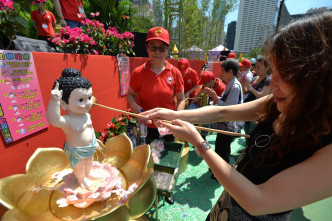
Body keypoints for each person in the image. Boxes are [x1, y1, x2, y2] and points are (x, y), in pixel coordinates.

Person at [144, 12, 332, 220]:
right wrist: (171, 113)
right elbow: (222, 111)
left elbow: (257, 201)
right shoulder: (279, 102)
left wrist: (198, 142)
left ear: (318, 79)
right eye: (274, 70)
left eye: (286, 73)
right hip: (226, 207)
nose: (271, 83)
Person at [127, 27, 185, 141]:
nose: (157, 52)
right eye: (153, 48)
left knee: (167, 157)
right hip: (146, 125)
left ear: (167, 50)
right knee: (148, 156)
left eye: (162, 48)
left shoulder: (175, 73)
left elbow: (181, 99)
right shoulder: (138, 72)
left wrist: (176, 118)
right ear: (147, 48)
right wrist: (134, 106)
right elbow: (130, 94)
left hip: (168, 126)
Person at [46, 68, 100, 189]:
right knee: (79, 166)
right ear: (64, 104)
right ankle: (81, 179)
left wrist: (95, 141)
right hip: (77, 151)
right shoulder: (68, 120)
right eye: (81, 100)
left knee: (89, 161)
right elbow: (53, 120)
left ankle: (89, 172)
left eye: (89, 97)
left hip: (90, 146)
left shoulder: (87, 115)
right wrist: (54, 101)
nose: (88, 103)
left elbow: (90, 129)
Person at [205, 59, 243, 168]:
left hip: (230, 124)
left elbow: (228, 108)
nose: (221, 74)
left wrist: (215, 97)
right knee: (220, 146)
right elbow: (226, 101)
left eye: (223, 71)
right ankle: (217, 169)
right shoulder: (230, 84)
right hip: (226, 123)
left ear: (230, 72)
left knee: (223, 149)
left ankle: (222, 171)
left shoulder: (235, 86)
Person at [242, 57, 273, 135]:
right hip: (248, 109)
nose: (256, 69)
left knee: (252, 133)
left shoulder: (268, 80)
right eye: (255, 67)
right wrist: (243, 84)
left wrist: (249, 87)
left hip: (257, 112)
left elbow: (262, 96)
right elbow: (245, 92)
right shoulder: (255, 78)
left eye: (258, 67)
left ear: (267, 68)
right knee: (246, 131)